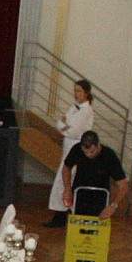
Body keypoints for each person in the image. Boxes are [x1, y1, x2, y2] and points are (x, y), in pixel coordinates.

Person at [45, 80, 97, 224]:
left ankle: (62, 214)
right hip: (67, 148)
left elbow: (75, 132)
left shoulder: (86, 110)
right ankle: (62, 212)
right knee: (64, 179)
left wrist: (64, 126)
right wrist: (64, 126)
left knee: (65, 179)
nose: (76, 94)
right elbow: (59, 124)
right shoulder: (74, 108)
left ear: (86, 93)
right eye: (75, 90)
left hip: (76, 149)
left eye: (79, 91)